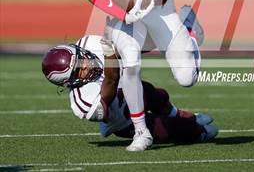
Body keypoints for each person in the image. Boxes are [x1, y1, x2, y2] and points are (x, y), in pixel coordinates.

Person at [85, 0, 202, 151]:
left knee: (187, 78)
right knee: (130, 61)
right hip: (130, 9)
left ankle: (188, 26)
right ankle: (141, 132)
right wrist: (123, 14)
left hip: (162, 5)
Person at [41, 35, 218, 145]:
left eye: (80, 58)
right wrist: (110, 56)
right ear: (68, 83)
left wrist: (161, 41)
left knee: (155, 94)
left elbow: (130, 49)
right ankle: (197, 131)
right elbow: (111, 79)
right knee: (176, 130)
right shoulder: (82, 101)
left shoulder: (89, 43)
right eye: (78, 70)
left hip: (129, 91)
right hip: (125, 122)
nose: (85, 64)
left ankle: (179, 114)